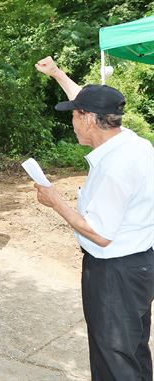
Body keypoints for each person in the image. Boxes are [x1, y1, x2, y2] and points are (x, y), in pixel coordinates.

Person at [34, 56, 154, 381]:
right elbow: (87, 99)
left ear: (88, 119)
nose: (72, 121)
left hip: (114, 274)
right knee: (133, 350)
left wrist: (55, 201)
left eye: (74, 114)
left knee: (113, 361)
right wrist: (58, 73)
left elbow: (100, 234)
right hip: (139, 266)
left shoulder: (117, 166)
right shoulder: (130, 142)